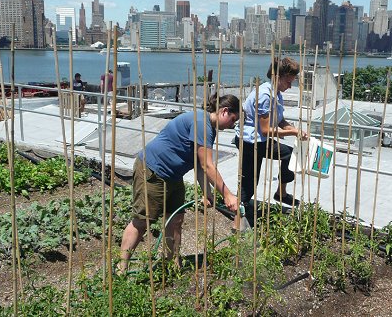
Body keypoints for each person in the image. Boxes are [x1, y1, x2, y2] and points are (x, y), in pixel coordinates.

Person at [119, 93, 240, 273]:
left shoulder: (209, 127)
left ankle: (171, 264)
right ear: (224, 111)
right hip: (153, 170)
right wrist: (228, 195)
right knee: (142, 221)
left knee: (175, 219)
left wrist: (207, 192)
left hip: (173, 176)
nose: (232, 125)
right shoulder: (202, 124)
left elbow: (199, 165)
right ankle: (121, 269)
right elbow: (208, 166)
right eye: (233, 120)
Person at [235, 57, 307, 226]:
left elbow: (279, 121)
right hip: (250, 141)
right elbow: (266, 129)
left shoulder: (276, 94)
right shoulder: (265, 95)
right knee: (251, 179)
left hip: (260, 140)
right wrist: (292, 131)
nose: (290, 86)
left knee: (286, 156)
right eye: (288, 81)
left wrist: (295, 129)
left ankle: (277, 194)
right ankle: (241, 213)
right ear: (278, 77)